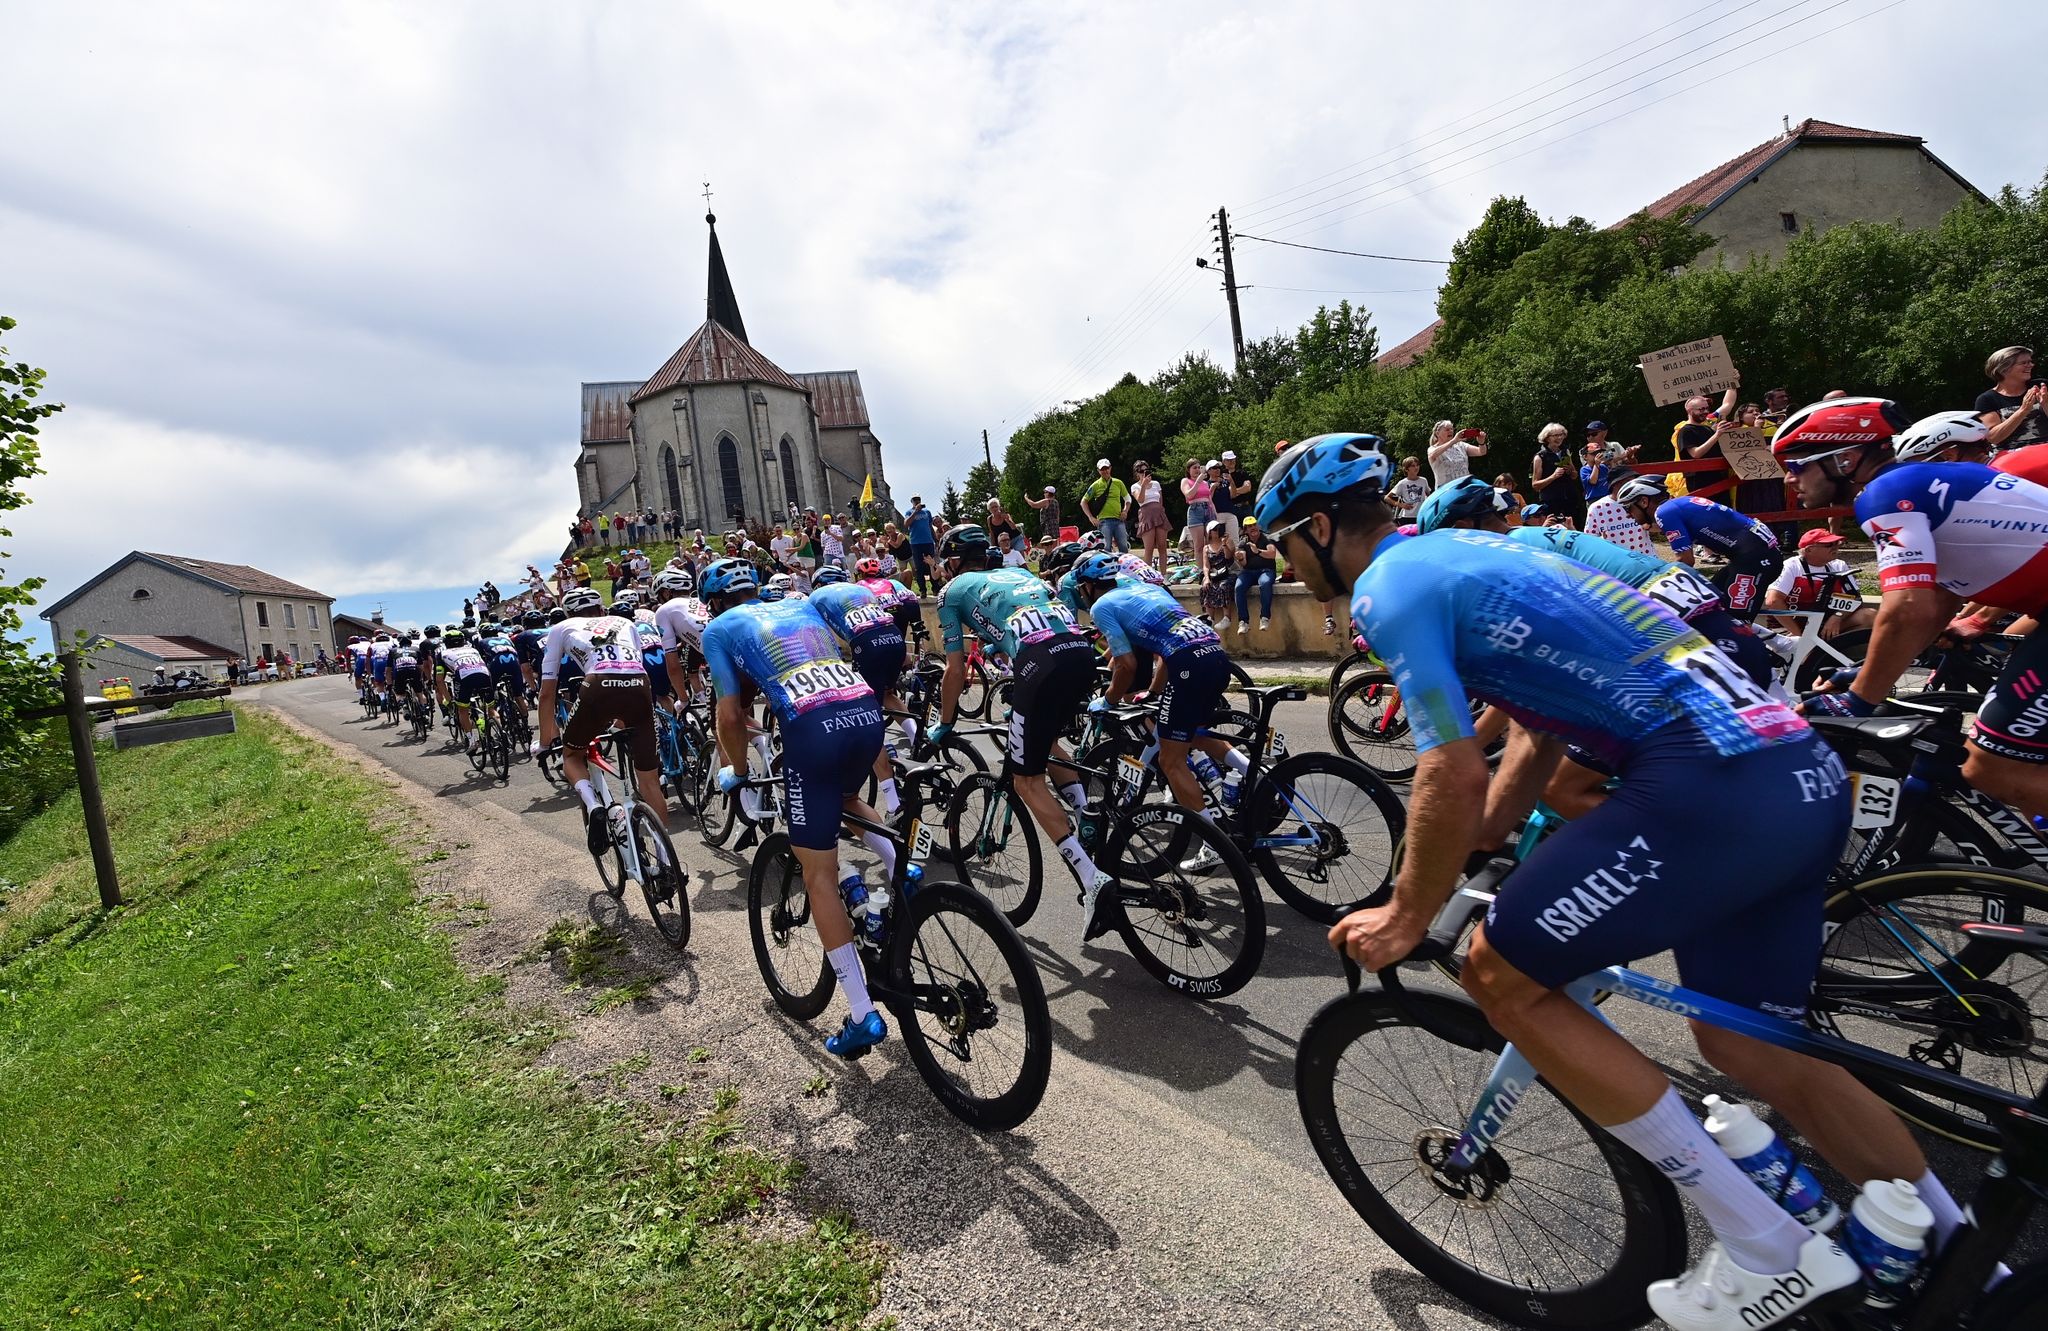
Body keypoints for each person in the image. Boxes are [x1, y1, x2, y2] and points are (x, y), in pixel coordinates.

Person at [1258, 433, 1947, 1329]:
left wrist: (1405, 906)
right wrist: (1492, 835)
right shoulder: (1504, 546)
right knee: (1751, 1049)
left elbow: (1449, 767)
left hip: (1708, 783)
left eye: (1281, 544)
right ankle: (1952, 1242)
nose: (1283, 561)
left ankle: (1763, 1242)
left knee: (1499, 972)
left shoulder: (1390, 588)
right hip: (1798, 772)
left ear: (1317, 526)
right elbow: (1540, 732)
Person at [1780, 400, 2048, 823]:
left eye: (1796, 465)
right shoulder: (1918, 482)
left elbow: (1908, 607)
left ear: (1844, 458)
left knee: (1992, 768)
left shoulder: (1886, 494)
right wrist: (1870, 667)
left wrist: (1858, 699)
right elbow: (1939, 600)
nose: (1788, 477)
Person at [698, 558, 893, 1056]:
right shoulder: (798, 604)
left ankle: (860, 1012)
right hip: (864, 710)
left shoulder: (719, 629)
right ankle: (900, 874)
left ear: (713, 603)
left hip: (811, 729)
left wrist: (737, 771)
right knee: (846, 798)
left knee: (817, 875)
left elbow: (730, 711)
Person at [932, 525, 1118, 936]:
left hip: (1041, 663)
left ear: (954, 561)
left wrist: (944, 724)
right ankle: (1086, 812)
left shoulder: (953, 591)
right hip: (1080, 655)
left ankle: (1092, 880)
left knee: (1025, 781)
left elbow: (955, 669)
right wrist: (1001, 642)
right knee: (1046, 743)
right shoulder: (1020, 574)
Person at [1072, 551, 1244, 840]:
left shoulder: (1102, 606)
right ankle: (1258, 775)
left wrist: (1108, 700)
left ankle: (1214, 842)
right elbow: (1165, 651)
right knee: (1195, 734)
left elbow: (1126, 665)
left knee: (1170, 760)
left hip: (1188, 663)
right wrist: (1152, 693)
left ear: (1088, 586)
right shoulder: (1146, 589)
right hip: (1214, 654)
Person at [536, 585, 672, 856]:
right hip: (639, 686)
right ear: (601, 609)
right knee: (649, 781)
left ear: (568, 613)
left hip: (597, 685)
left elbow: (547, 693)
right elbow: (632, 668)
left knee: (572, 755)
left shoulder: (561, 628)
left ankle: (594, 805)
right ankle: (666, 859)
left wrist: (543, 743)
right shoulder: (624, 621)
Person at [805, 563, 912, 820]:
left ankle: (892, 802)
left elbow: (817, 641)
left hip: (868, 645)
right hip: (895, 637)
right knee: (887, 693)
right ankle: (919, 738)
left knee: (867, 721)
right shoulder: (858, 589)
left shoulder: (816, 598)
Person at [1618, 476, 1781, 621]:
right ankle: (1783, 644)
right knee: (1712, 608)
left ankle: (1770, 651)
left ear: (1644, 502)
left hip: (1754, 560)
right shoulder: (1673, 506)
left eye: (1628, 508)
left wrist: (1653, 584)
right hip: (1750, 557)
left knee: (1735, 625)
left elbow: (1686, 560)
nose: (1627, 515)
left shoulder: (1664, 512)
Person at [1975, 345, 2048, 455]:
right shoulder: (1987, 399)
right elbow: (1993, 437)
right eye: (2024, 363)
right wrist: (2023, 410)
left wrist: (2046, 404)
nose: (2031, 365)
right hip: (2011, 459)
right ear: (2004, 369)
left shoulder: (2042, 386)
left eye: (2030, 362)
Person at [1528, 423, 1582, 528]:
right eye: (1555, 435)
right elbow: (1535, 485)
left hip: (1570, 499)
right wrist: (1553, 476)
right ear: (1547, 438)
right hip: (1551, 502)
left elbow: (1575, 475)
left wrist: (1570, 471)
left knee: (1575, 529)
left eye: (1561, 434)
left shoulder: (1565, 452)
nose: (1560, 438)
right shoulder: (1540, 457)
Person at [1583, 474, 1654, 555]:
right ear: (1615, 484)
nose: (1632, 485)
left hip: (1646, 558)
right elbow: (1589, 539)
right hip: (1616, 562)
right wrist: (1601, 541)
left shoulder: (1641, 501)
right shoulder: (1597, 507)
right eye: (1628, 482)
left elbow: (1657, 525)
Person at [1234, 515, 1277, 634]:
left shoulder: (1266, 538)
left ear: (1258, 525)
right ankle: (1243, 621)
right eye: (1249, 526)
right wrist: (1240, 558)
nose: (1253, 528)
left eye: (1254, 525)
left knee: (1265, 583)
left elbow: (1272, 554)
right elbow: (1244, 563)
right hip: (1248, 572)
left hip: (1266, 570)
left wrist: (1257, 551)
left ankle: (1264, 618)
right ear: (1245, 530)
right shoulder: (1243, 542)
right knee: (1239, 587)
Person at [1080, 458, 1132, 553]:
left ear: (1110, 468)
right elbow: (1083, 501)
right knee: (1105, 548)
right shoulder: (1095, 485)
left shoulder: (1118, 483)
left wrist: (1125, 511)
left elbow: (1128, 499)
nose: (1105, 471)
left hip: (1119, 520)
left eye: (1106, 468)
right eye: (1102, 469)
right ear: (1098, 471)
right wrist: (1091, 518)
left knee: (1124, 547)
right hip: (1104, 522)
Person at [1197, 520, 1234, 625]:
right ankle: (1210, 618)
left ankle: (1227, 617)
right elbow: (1206, 565)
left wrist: (1224, 544)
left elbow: (1228, 557)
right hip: (1214, 574)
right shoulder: (1206, 548)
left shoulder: (1228, 541)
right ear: (1209, 532)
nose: (1217, 531)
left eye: (1218, 528)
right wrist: (1206, 578)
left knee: (1223, 586)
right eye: (1214, 529)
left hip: (1227, 572)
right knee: (1206, 587)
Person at [1177, 459, 1213, 561]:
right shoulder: (1185, 481)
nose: (1197, 470)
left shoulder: (1205, 483)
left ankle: (1210, 567)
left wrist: (1214, 513)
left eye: (1199, 467)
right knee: (1199, 545)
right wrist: (1197, 482)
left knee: (1211, 541)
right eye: (1194, 468)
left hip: (1208, 509)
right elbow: (1189, 494)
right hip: (1195, 510)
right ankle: (1201, 570)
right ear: (1189, 470)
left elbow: (1209, 499)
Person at [1213, 449, 1250, 546]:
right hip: (1232, 509)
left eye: (1233, 459)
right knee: (1234, 536)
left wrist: (1233, 491)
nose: (1232, 461)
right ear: (1224, 462)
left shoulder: (1242, 473)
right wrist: (1237, 491)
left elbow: (1248, 487)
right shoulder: (1221, 476)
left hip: (1245, 507)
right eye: (1229, 460)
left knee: (1251, 532)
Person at [904, 494, 937, 595]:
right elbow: (906, 524)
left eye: (918, 499)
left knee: (931, 564)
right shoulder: (909, 512)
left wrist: (935, 539)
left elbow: (930, 526)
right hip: (916, 543)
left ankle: (935, 588)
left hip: (928, 541)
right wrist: (915, 511)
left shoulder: (927, 512)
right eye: (915, 500)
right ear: (912, 501)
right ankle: (922, 589)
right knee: (919, 567)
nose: (917, 501)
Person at [1386, 455, 1431, 523]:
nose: (1416, 467)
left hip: (1421, 515)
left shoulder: (1423, 480)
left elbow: (1429, 495)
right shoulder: (1402, 483)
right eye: (1413, 466)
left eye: (1417, 465)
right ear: (1406, 469)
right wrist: (1400, 504)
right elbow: (1387, 498)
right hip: (1407, 516)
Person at [1577, 440, 1610, 507]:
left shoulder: (1603, 467)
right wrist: (1596, 465)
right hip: (1594, 500)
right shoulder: (1584, 469)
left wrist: (1611, 462)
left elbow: (1610, 480)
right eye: (1593, 454)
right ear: (1585, 457)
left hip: (1607, 497)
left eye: (1599, 453)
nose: (1597, 456)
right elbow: (1593, 481)